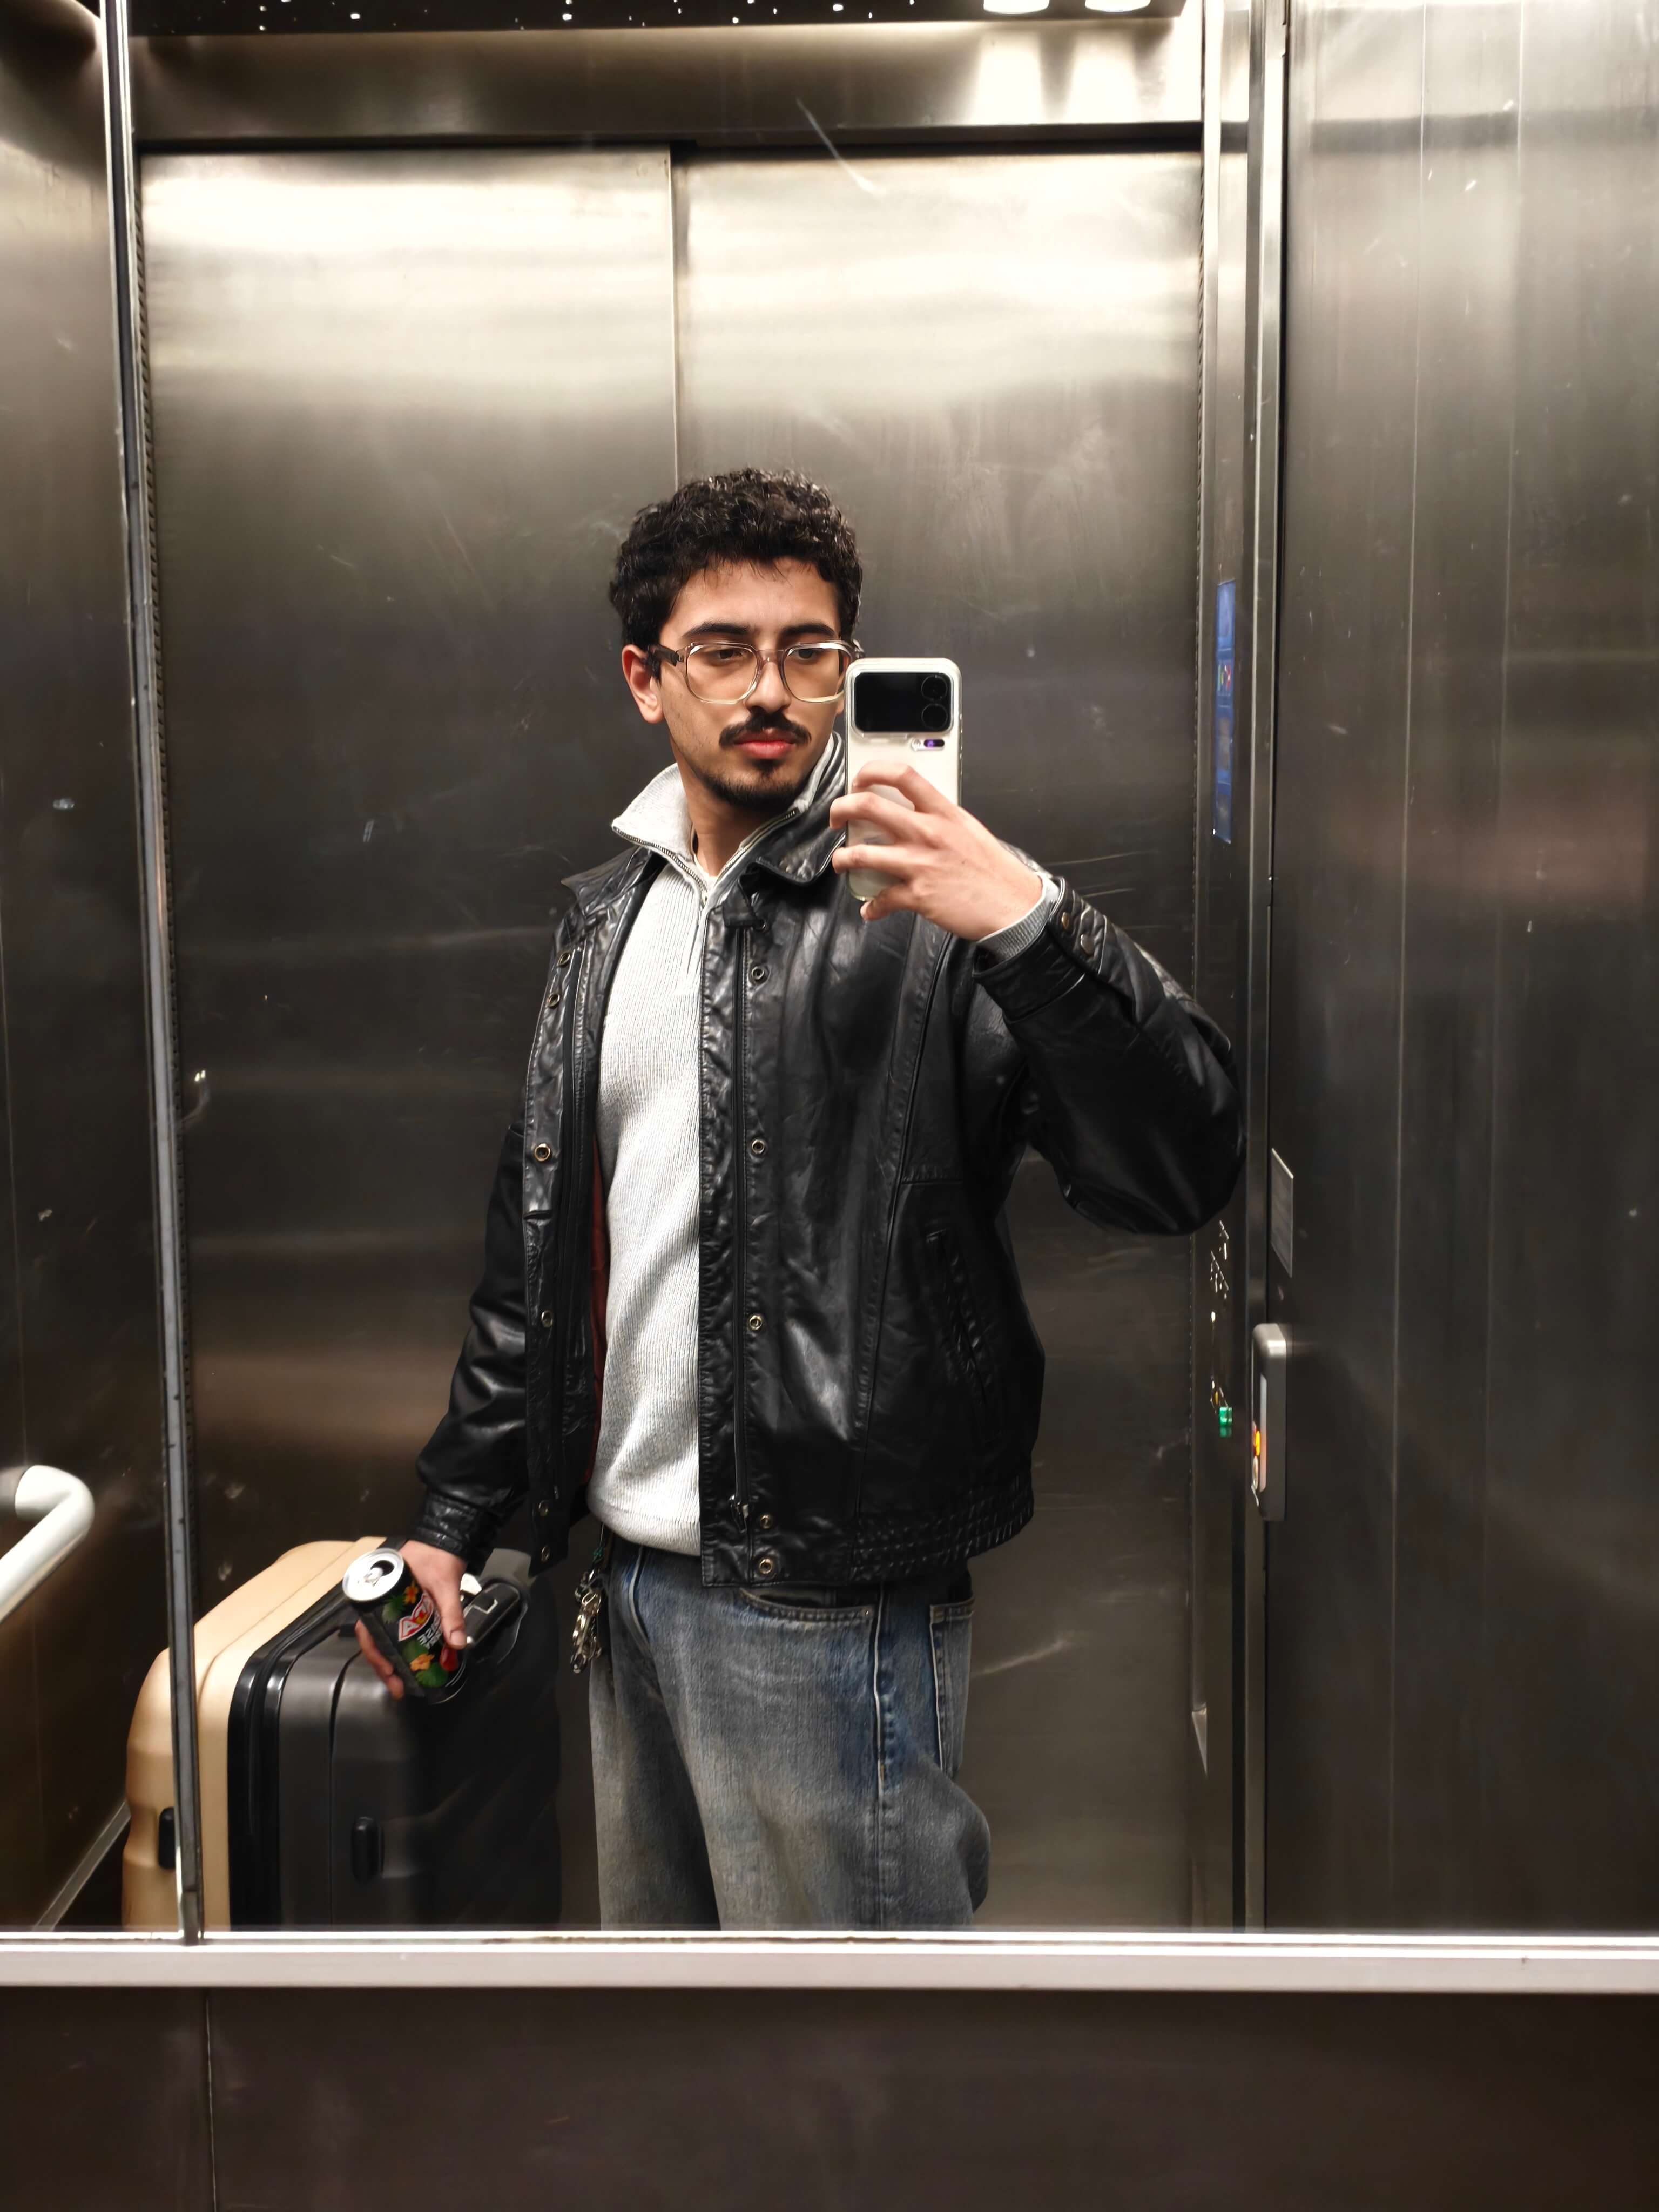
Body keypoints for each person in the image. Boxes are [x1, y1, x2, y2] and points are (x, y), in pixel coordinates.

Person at [356, 467, 1243, 1928]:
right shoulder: (608, 922)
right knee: (691, 2034)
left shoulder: (943, 907)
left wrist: (1027, 923)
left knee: (855, 2044)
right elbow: (543, 1254)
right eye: (723, 649)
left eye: (808, 649)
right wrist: (457, 1513)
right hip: (628, 1584)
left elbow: (1178, 1168)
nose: (771, 688)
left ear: (849, 665)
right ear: (647, 678)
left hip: (833, 1601)